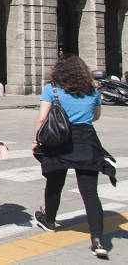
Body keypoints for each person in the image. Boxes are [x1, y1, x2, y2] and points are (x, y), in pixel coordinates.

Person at [32, 55, 115, 259]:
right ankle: (97, 240)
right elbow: (95, 116)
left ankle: (49, 220)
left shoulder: (51, 89)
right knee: (90, 193)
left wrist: (36, 140)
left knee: (54, 183)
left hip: (59, 140)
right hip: (86, 139)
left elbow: (43, 117)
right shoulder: (92, 90)